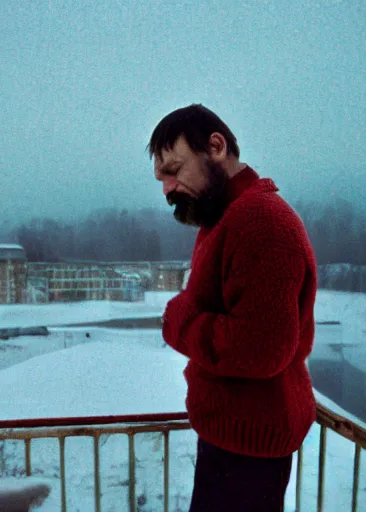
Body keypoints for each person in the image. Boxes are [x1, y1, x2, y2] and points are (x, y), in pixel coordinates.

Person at [148, 104, 318, 511]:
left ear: (216, 146)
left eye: (174, 169)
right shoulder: (226, 218)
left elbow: (259, 347)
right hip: (237, 441)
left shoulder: (260, 221)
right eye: (161, 178)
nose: (167, 188)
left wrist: (177, 321)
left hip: (249, 454)